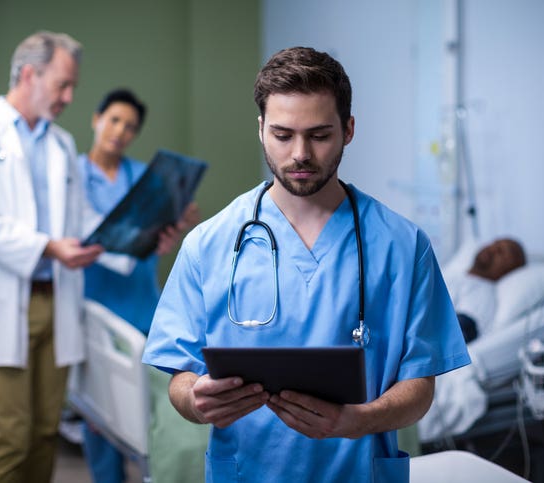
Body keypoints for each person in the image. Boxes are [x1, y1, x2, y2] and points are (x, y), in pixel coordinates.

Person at [142, 46, 471, 482]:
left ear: (348, 129)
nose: (300, 153)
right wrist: (196, 400)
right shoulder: (209, 244)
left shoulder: (403, 246)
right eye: (282, 135)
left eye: (319, 135)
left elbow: (420, 388)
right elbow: (180, 378)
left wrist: (359, 421)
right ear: (260, 129)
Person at [0, 31, 104, 482]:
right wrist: (48, 247)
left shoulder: (61, 145)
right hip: (4, 301)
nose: (70, 97)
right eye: (63, 84)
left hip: (57, 302)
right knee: (10, 436)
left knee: (44, 431)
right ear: (30, 74)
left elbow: (79, 222)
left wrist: (142, 232)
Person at [77, 88, 204, 483]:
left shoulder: (142, 178)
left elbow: (152, 244)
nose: (120, 131)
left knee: (150, 404)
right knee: (101, 417)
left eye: (130, 127)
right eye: (114, 120)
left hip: (144, 305)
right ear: (96, 119)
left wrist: (172, 230)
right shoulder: (73, 176)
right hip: (97, 305)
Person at [449, 238, 527, 342]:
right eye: (494, 243)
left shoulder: (481, 295)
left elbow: (456, 333)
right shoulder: (456, 276)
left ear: (509, 269)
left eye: (500, 252)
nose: (492, 249)